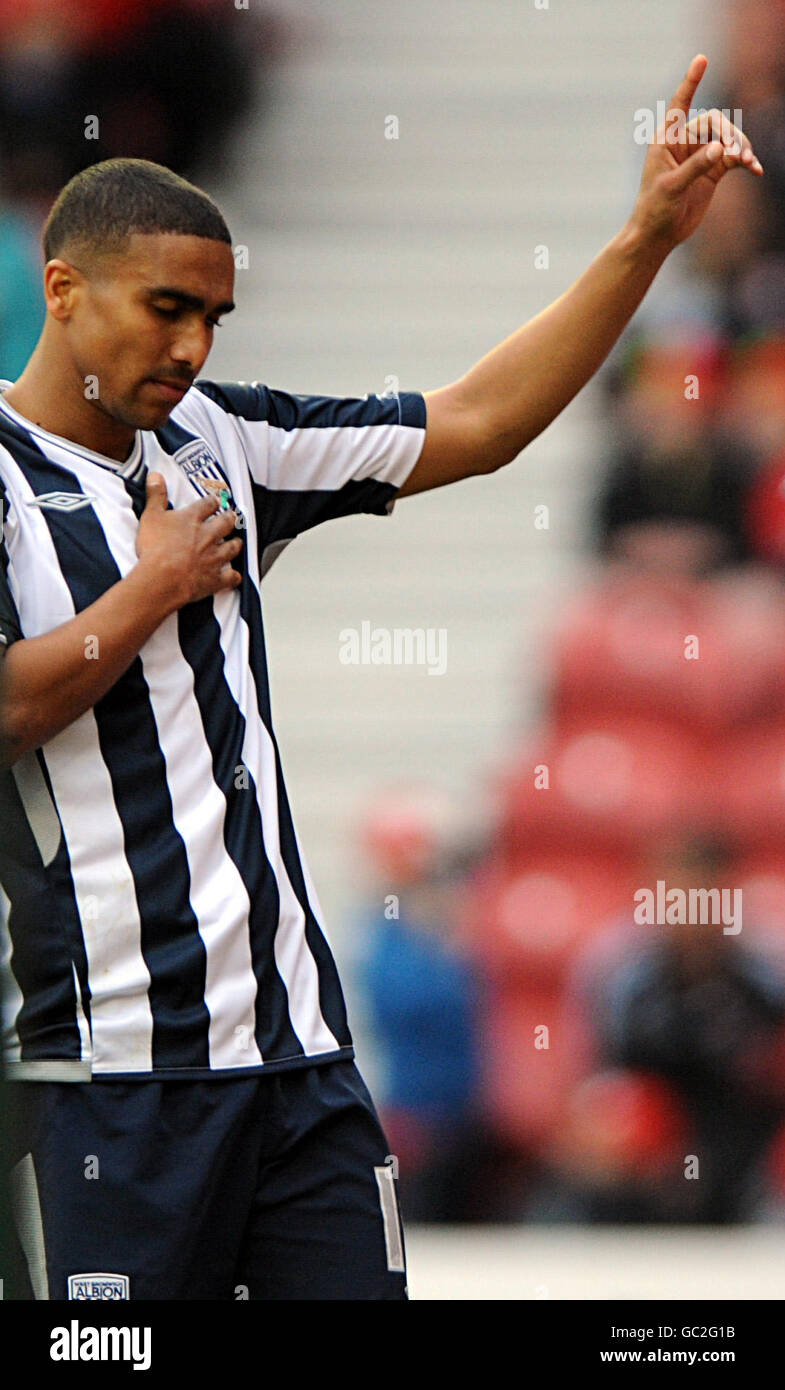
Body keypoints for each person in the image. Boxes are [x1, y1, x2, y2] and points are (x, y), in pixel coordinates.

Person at [0, 55, 762, 1299]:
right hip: (104, 1088)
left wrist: (642, 241)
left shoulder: (222, 441)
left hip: (298, 1074)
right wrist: (152, 589)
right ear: (64, 287)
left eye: (214, 318)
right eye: (165, 308)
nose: (193, 347)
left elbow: (472, 422)